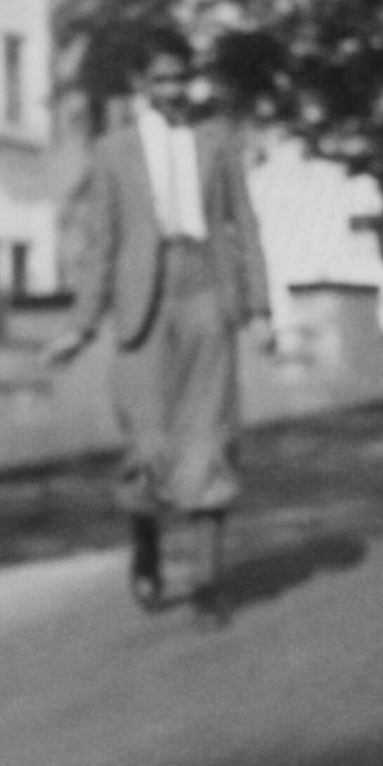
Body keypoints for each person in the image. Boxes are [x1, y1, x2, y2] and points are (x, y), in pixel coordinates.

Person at [43, 32, 274, 617]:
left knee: (209, 436)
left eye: (180, 78)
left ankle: (206, 578)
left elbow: (243, 226)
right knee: (149, 443)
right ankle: (145, 546)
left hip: (206, 292)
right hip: (142, 301)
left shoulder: (217, 141)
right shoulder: (113, 150)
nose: (173, 90)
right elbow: (102, 245)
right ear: (142, 86)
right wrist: (81, 325)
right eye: (161, 80)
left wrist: (260, 309)